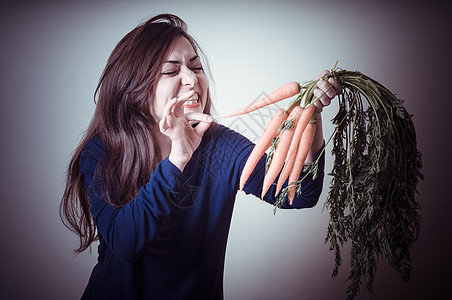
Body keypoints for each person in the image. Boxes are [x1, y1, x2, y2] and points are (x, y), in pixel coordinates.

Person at [60, 13, 341, 300]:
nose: (192, 79)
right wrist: (178, 159)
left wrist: (311, 115)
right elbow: (125, 241)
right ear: (134, 87)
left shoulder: (220, 145)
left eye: (196, 67)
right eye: (172, 71)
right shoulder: (102, 151)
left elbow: (300, 193)